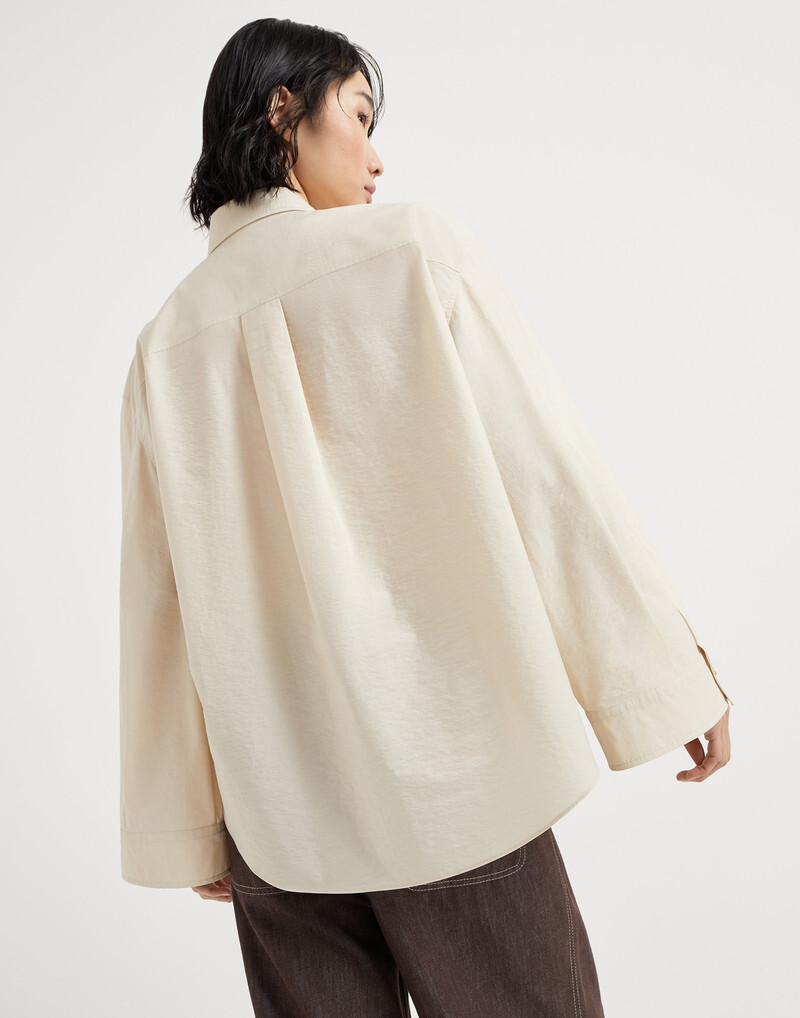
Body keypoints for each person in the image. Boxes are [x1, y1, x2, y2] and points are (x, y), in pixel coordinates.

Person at [118, 17, 733, 1018]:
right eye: (358, 117)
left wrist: (189, 818)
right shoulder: (410, 250)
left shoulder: (165, 344)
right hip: (454, 781)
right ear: (283, 111)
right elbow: (542, 471)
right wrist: (660, 674)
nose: (376, 155)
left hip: (277, 811)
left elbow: (160, 606)